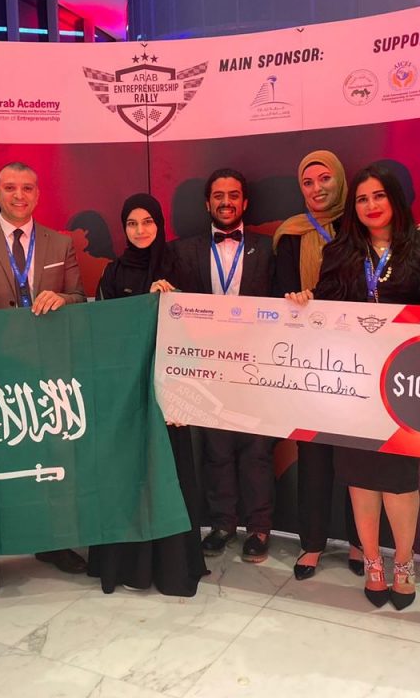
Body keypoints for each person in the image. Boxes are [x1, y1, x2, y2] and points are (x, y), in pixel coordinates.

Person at [0, 161, 88, 594]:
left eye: (27, 188)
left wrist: (61, 299)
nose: (19, 195)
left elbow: (80, 297)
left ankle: (51, 542)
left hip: (47, 372)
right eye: (10, 188)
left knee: (49, 460)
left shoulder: (60, 243)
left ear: (38, 194)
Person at [313, 164, 420, 610]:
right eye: (362, 199)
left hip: (405, 382)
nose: (371, 206)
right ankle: (372, 561)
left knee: (400, 479)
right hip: (353, 382)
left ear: (395, 199)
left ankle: (403, 561)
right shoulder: (339, 251)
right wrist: (304, 302)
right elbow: (324, 308)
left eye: (379, 196)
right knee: (360, 477)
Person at [87, 193, 209, 595]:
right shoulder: (113, 272)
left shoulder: (180, 267)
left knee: (169, 474)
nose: (140, 230)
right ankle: (126, 567)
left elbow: (197, 330)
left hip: (168, 395)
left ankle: (173, 567)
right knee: (128, 475)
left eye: (148, 222)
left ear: (159, 224)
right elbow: (103, 333)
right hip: (127, 394)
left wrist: (171, 300)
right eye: (132, 223)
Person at [170, 168, 276, 563]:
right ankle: (222, 524)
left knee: (257, 451)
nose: (226, 202)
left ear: (244, 202)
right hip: (208, 366)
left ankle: (259, 527)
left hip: (256, 367)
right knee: (216, 450)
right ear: (207, 203)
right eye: (218, 196)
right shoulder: (184, 251)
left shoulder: (268, 248)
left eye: (233, 195)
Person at [272, 150, 363, 580]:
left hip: (360, 359)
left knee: (359, 456)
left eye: (325, 178)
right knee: (313, 456)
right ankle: (311, 544)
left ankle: (362, 542)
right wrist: (295, 300)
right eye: (308, 182)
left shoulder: (361, 226)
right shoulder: (290, 236)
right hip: (307, 360)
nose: (317, 188)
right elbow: (279, 294)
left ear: (340, 180)